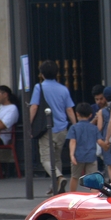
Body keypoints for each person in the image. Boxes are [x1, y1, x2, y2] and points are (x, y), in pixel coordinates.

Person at [29, 60, 76, 194]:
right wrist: (76, 125)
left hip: (46, 128)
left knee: (45, 159)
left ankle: (59, 178)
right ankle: (55, 186)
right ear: (56, 73)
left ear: (41, 74)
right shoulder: (63, 89)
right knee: (57, 158)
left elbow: (34, 107)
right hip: (62, 128)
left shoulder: (39, 87)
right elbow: (69, 110)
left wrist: (29, 124)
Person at [66, 102, 107, 192]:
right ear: (90, 115)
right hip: (91, 156)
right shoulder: (94, 128)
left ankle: (72, 194)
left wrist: (72, 155)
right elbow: (100, 141)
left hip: (78, 156)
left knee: (75, 177)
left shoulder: (74, 127)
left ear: (77, 114)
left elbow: (73, 141)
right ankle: (94, 196)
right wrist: (106, 146)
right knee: (93, 179)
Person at [96, 85, 111, 182]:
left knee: (110, 165)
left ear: (105, 98)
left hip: (107, 140)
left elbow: (99, 128)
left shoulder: (102, 111)